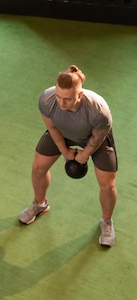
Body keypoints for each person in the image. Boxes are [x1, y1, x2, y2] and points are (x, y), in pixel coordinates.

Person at [19, 65, 118, 247]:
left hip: (94, 138)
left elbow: (97, 137)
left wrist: (84, 155)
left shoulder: (98, 110)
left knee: (107, 184)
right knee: (38, 168)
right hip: (62, 133)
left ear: (79, 95)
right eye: (59, 97)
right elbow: (53, 128)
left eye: (67, 99)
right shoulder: (47, 100)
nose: (61, 104)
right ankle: (40, 204)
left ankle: (106, 221)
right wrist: (65, 151)